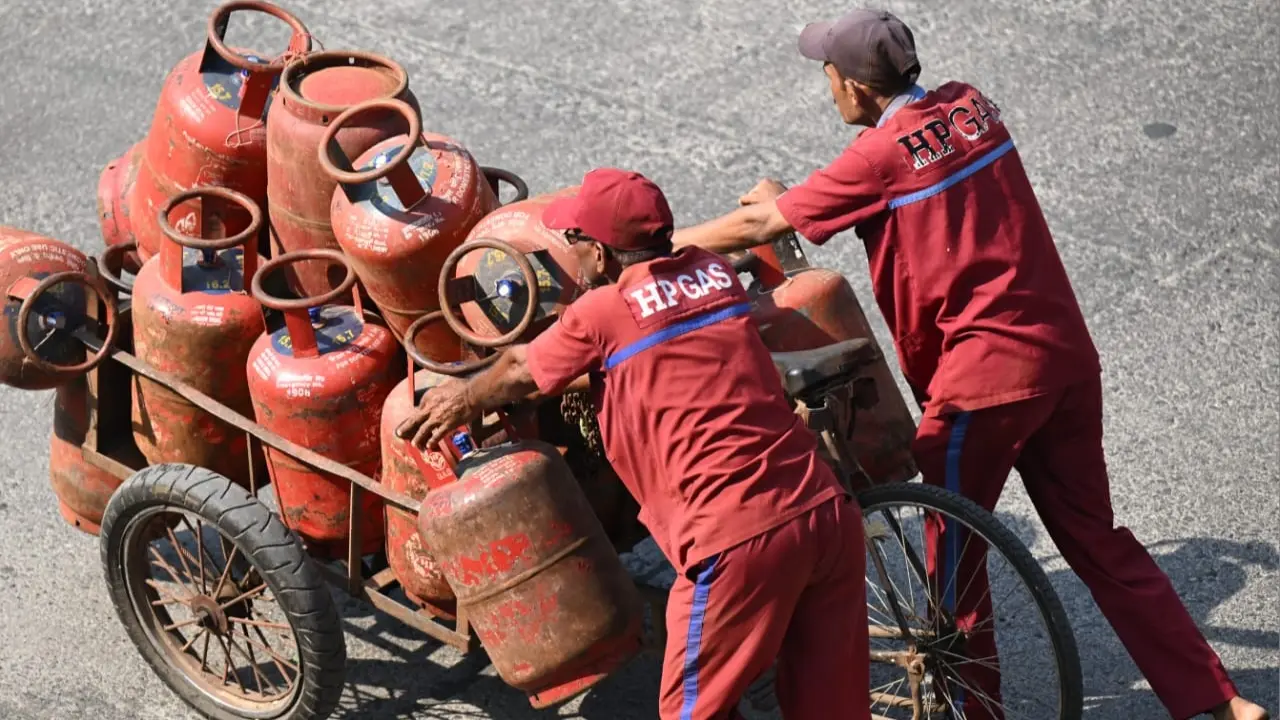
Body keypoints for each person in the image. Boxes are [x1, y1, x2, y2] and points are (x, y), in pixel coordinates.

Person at [669, 7, 1270, 720]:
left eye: (827, 76)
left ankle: (975, 712)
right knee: (1100, 540)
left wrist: (658, 248)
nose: (826, 88)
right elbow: (894, 188)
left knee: (953, 558)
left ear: (856, 88)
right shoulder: (969, 105)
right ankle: (1221, 698)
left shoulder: (874, 158)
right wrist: (794, 201)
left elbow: (760, 226)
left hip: (982, 385)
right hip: (1064, 358)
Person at [396, 167, 872, 720]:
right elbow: (658, 345)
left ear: (599, 255)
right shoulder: (714, 274)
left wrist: (466, 398)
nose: (568, 251)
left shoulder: (602, 312)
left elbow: (523, 368)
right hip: (825, 512)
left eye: (573, 240)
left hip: (736, 540)